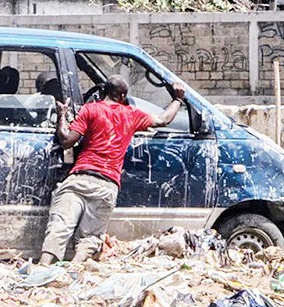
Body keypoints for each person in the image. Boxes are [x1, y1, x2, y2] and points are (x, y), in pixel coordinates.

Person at [39, 75, 186, 265]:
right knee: (90, 236)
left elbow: (67, 140)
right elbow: (163, 119)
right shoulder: (131, 114)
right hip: (107, 185)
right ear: (122, 95)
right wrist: (178, 99)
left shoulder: (90, 110)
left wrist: (62, 114)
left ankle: (43, 268)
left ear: (103, 92)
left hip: (79, 179)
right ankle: (75, 269)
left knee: (59, 227)